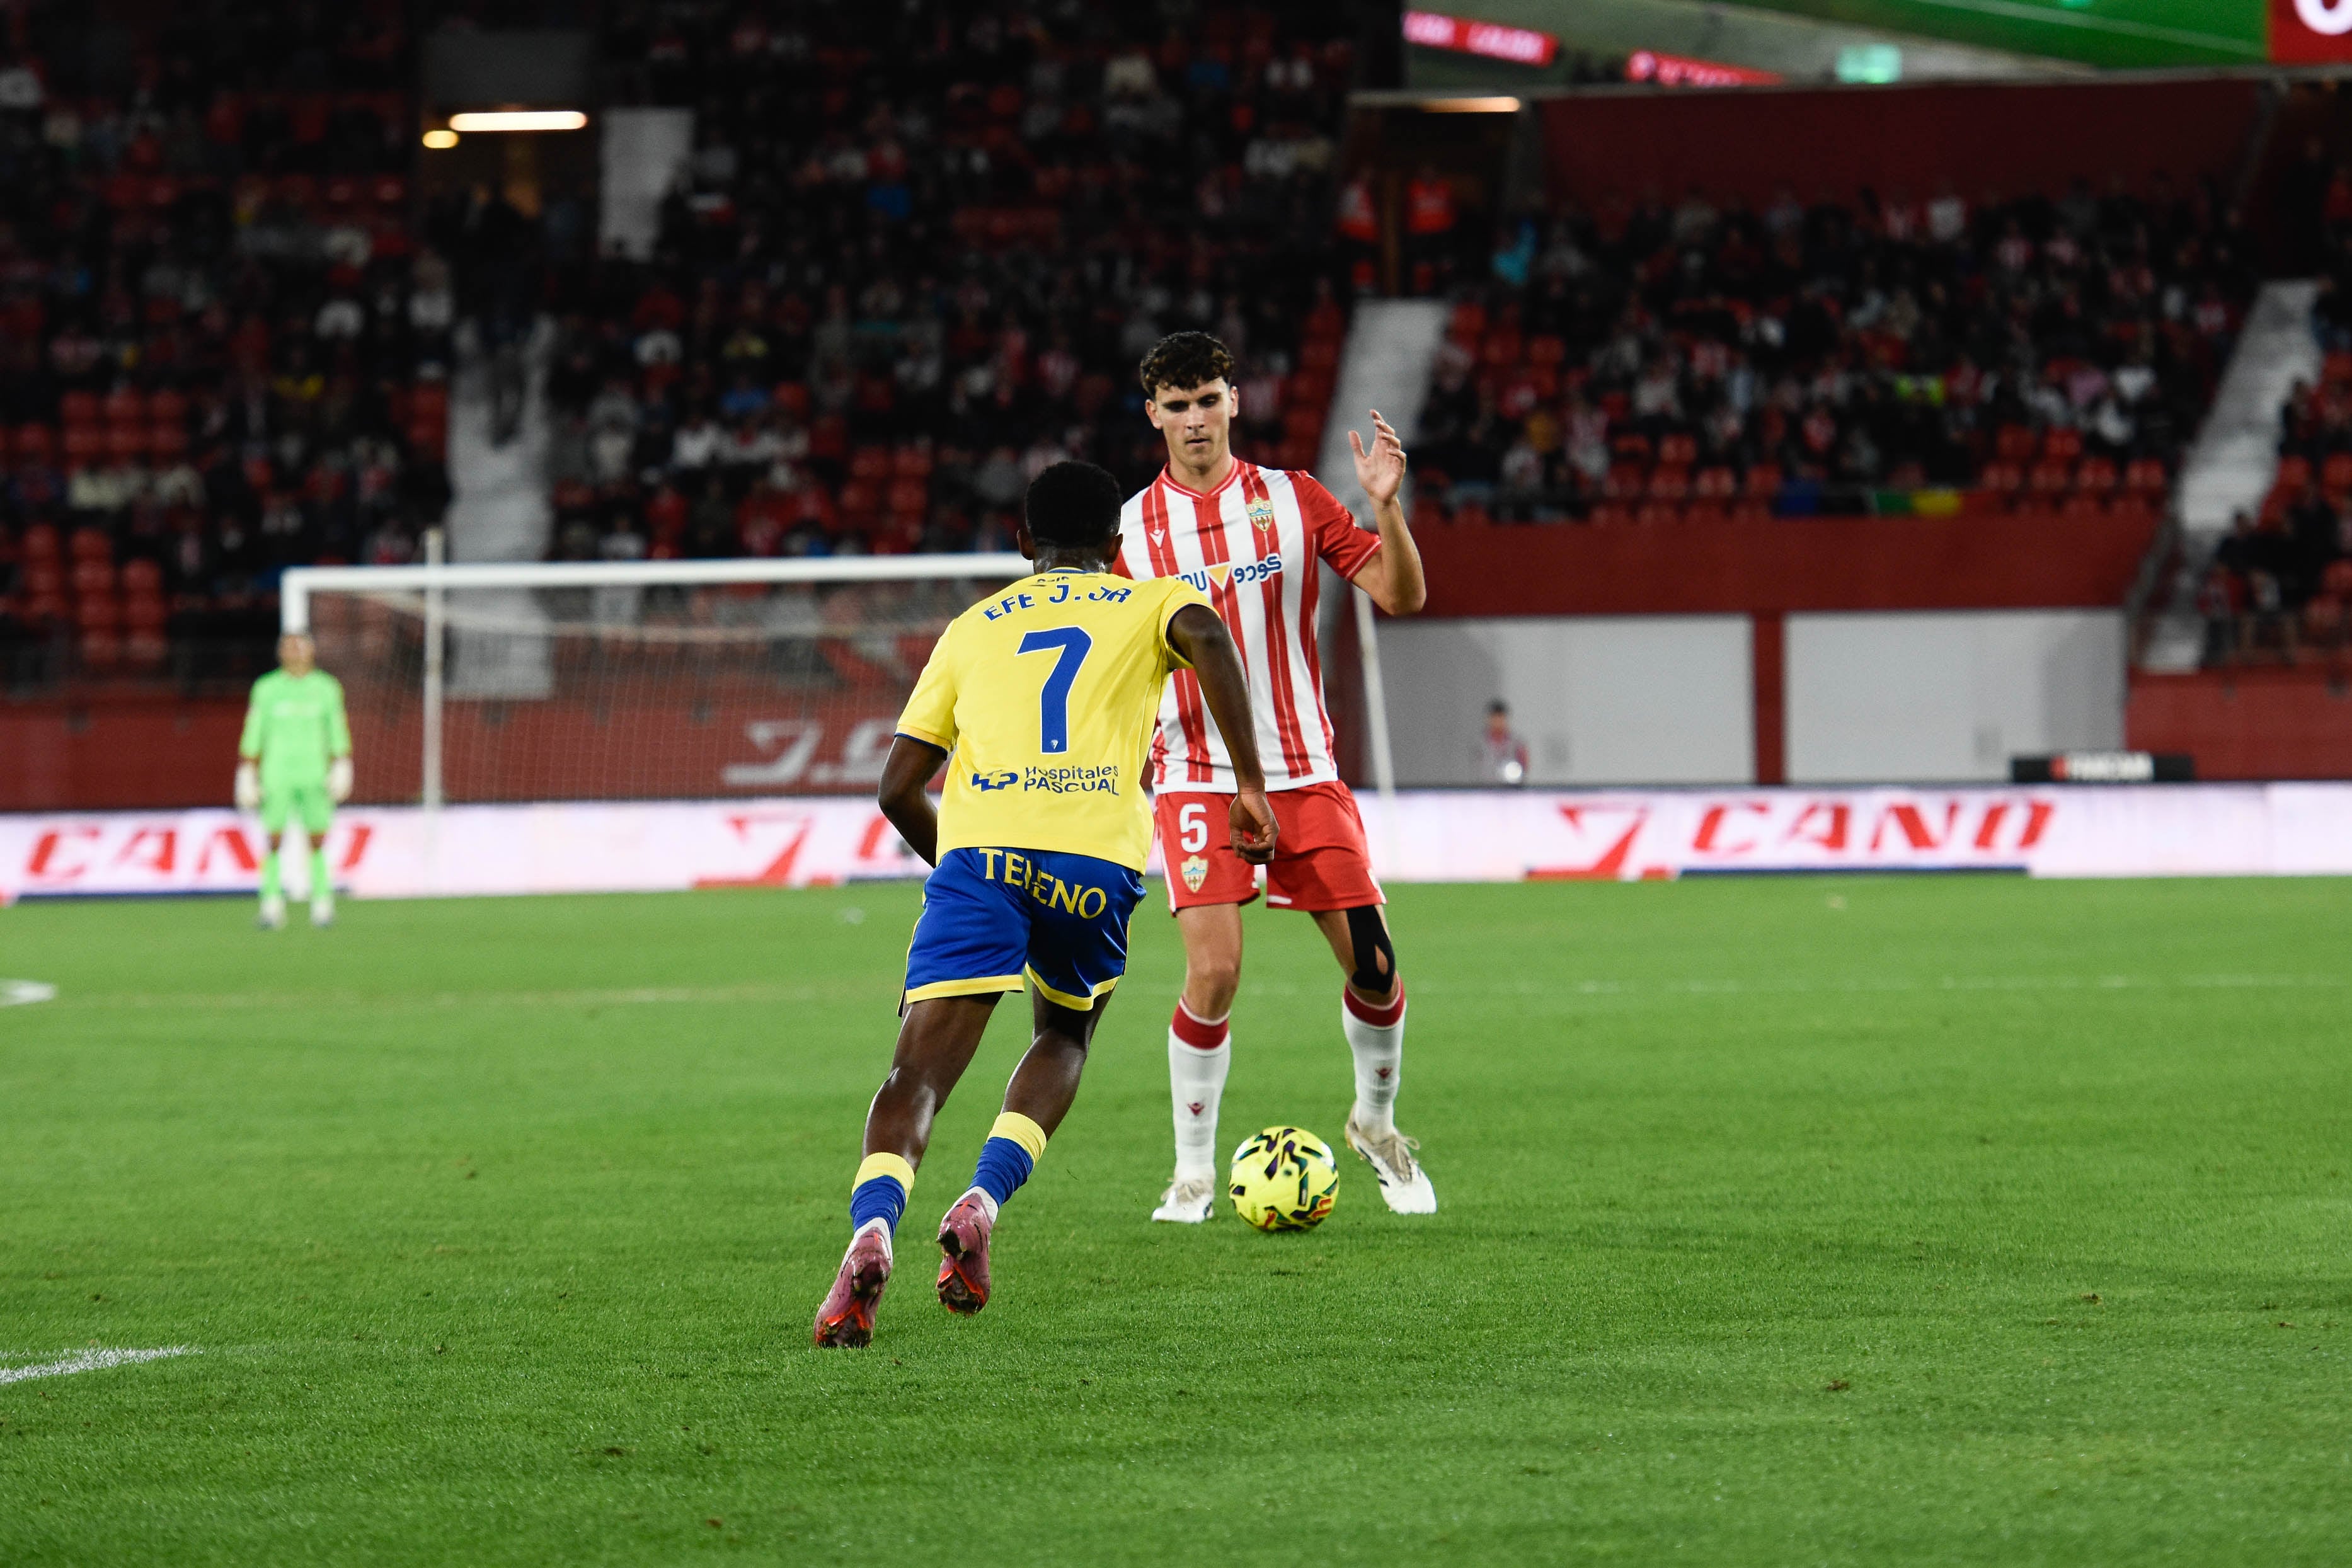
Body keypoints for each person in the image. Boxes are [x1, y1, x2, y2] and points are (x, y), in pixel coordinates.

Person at [812, 461, 1275, 1349]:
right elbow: (1210, 640)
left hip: (981, 858)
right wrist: (1249, 785)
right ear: (1115, 547)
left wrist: (959, 871)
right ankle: (982, 1199)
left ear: (1023, 543)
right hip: (1091, 862)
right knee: (1062, 1034)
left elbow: (897, 786)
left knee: (914, 1075)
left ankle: (873, 1229)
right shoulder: (1148, 600)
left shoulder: (972, 627)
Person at [1113, 330, 1435, 1224]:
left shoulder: (1294, 500)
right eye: (1175, 406)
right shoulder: (1131, 533)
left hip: (1303, 769)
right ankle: (1191, 1172)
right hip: (1192, 776)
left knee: (1374, 967)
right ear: (1154, 416)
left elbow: (1400, 596)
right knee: (1213, 973)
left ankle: (1375, 1124)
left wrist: (1387, 510)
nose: (1194, 420)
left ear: (1234, 401)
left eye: (1207, 399)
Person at [233, 632, 353, 929]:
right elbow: (255, 728)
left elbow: (336, 726)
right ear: (281, 653)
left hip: (315, 773)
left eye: (301, 647)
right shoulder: (267, 688)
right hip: (277, 774)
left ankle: (322, 904)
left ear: (311, 651)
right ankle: (272, 905)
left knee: (318, 839)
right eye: (289, 647)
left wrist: (342, 761)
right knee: (273, 839)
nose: (295, 653)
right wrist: (247, 767)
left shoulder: (326, 688)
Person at [1479, 699, 1529, 785]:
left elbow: (1524, 764)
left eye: (1500, 718)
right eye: (1495, 718)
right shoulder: (1481, 743)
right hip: (1486, 788)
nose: (1498, 722)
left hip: (1510, 788)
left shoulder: (1516, 743)